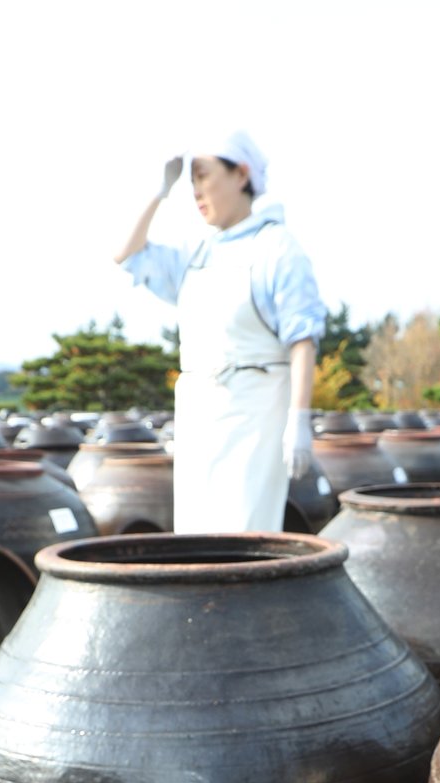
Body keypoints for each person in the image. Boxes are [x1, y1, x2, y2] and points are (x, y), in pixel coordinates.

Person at [115, 131, 325, 533]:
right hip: (199, 414)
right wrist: (159, 192)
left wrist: (298, 420)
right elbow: (125, 254)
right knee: (195, 537)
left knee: (243, 536)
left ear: (241, 174)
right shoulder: (198, 251)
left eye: (202, 175)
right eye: (189, 180)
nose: (195, 190)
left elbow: (302, 339)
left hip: (255, 413)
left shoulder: (278, 248)